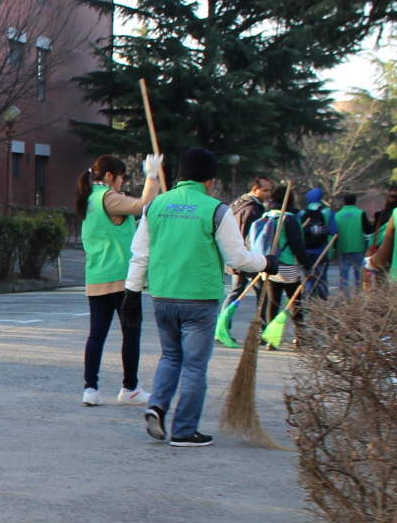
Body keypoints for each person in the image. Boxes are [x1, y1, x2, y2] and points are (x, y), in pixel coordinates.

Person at [125, 146, 268, 448]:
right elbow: (238, 258)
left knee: (170, 356)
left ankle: (157, 406)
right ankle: (184, 430)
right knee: (193, 366)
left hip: (162, 296)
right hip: (199, 299)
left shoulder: (155, 206)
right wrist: (268, 262)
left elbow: (140, 255)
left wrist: (131, 292)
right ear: (209, 180)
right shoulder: (216, 210)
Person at [76, 153, 163, 406]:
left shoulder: (88, 198)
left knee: (96, 336)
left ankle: (90, 389)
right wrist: (152, 175)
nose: (123, 181)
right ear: (110, 176)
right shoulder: (109, 197)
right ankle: (130, 388)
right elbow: (145, 204)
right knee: (131, 333)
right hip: (122, 278)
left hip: (96, 277)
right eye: (122, 176)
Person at [255, 190, 312, 346]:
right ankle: (300, 337)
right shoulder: (289, 219)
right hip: (287, 265)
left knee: (273, 301)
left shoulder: (266, 216)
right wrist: (308, 266)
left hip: (269, 264)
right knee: (295, 301)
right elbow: (297, 246)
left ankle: (270, 338)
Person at [226, 174, 272, 324]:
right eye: (265, 190)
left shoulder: (236, 204)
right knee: (262, 293)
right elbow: (252, 237)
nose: (269, 193)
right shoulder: (253, 209)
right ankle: (262, 327)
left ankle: (222, 326)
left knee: (235, 292)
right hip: (247, 257)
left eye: (270, 190)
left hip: (234, 255)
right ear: (255, 189)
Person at [299, 187, 334, 299]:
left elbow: (298, 231)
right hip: (322, 249)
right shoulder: (327, 211)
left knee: (308, 277)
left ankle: (309, 301)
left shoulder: (302, 212)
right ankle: (323, 302)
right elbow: (334, 231)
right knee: (322, 277)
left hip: (306, 251)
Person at [331, 192, 367, 295]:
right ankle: (358, 296)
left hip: (343, 248)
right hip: (358, 247)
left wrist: (334, 247)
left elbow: (334, 232)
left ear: (344, 202)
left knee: (344, 275)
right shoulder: (360, 213)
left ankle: (346, 298)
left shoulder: (337, 215)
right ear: (355, 202)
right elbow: (368, 230)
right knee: (359, 274)